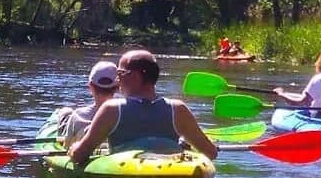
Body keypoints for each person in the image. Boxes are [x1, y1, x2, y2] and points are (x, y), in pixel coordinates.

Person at [68, 48, 219, 165]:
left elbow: (80, 155)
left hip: (128, 175)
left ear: (135, 76)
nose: (117, 80)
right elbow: (211, 152)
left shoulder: (112, 109)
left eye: (120, 73)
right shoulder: (178, 109)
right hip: (170, 172)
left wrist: (73, 147)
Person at [56, 60, 121, 147]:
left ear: (90, 86)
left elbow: (67, 147)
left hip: (80, 149)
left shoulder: (78, 115)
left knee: (65, 112)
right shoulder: (126, 116)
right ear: (117, 87)